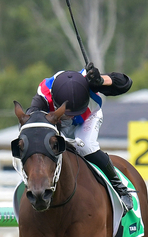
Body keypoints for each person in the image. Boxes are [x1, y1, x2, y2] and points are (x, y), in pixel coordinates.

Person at [27, 62, 134, 213]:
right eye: (69, 114)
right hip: (57, 122)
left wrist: (101, 81)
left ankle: (120, 188)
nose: (72, 117)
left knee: (86, 146)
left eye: (74, 112)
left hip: (87, 118)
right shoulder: (43, 93)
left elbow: (126, 83)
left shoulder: (86, 79)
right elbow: (29, 120)